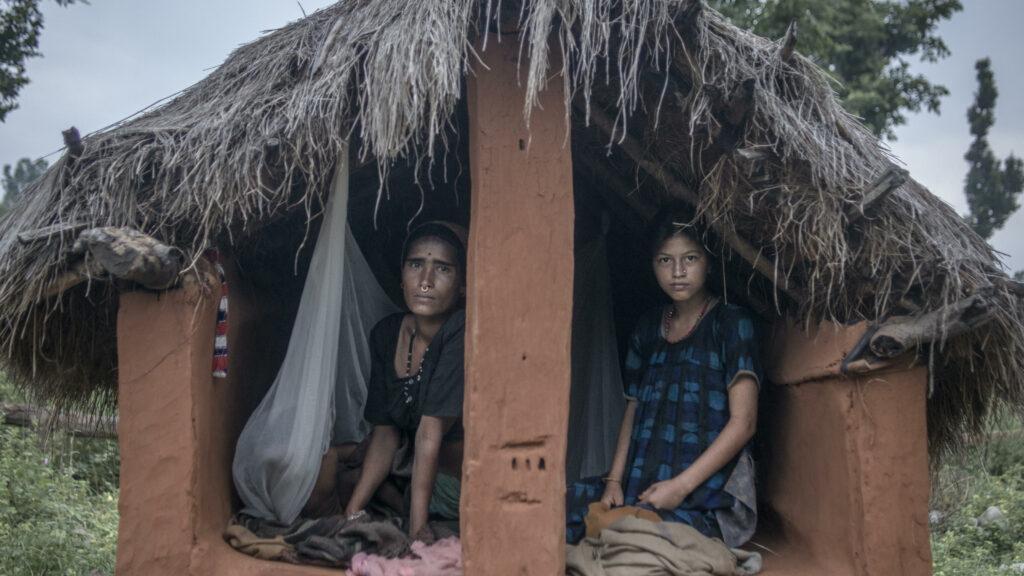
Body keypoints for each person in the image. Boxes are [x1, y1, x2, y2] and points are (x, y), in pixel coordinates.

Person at [565, 207, 761, 547]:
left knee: (630, 537)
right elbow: (633, 408)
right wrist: (614, 481)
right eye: (665, 260)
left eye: (690, 258)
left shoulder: (730, 323)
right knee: (557, 507)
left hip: (705, 494)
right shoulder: (647, 328)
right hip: (642, 480)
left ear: (709, 263)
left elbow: (744, 423)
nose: (678, 272)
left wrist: (681, 486)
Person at [333, 221, 468, 539]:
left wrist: (417, 532)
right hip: (412, 473)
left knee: (357, 478)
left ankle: (412, 515)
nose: (425, 281)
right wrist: (352, 511)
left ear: (463, 285)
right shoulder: (386, 334)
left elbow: (429, 433)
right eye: (416, 265)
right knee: (344, 480)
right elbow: (386, 433)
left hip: (454, 487)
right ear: (402, 275)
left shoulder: (461, 330)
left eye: (443, 269)